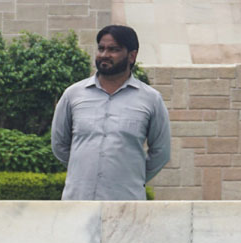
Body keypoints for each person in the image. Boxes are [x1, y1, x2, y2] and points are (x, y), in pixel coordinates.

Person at [50, 25, 171, 200]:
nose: (104, 55)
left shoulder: (151, 99)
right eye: (101, 48)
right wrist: (83, 170)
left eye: (113, 49)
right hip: (78, 200)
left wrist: (130, 177)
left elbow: (161, 152)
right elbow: (59, 144)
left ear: (132, 55)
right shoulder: (73, 94)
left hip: (127, 202)